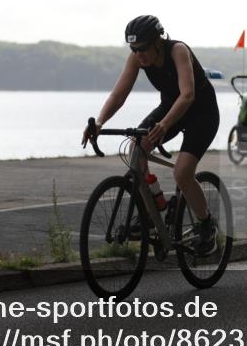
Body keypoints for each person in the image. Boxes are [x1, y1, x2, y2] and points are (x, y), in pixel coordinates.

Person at [82, 15, 220, 256]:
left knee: (182, 173)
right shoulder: (136, 59)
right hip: (169, 108)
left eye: (143, 48)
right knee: (137, 150)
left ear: (158, 41)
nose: (139, 54)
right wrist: (100, 122)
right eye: (134, 49)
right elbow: (119, 95)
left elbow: (187, 95)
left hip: (201, 114)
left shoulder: (178, 50)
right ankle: (155, 208)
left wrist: (165, 125)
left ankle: (206, 224)